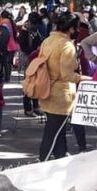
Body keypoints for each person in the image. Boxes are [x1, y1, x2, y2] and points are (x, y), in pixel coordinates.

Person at [37, 12, 85, 162]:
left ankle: (60, 157)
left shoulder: (48, 41)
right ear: (71, 29)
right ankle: (42, 161)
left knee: (57, 130)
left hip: (46, 90)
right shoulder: (67, 46)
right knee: (53, 132)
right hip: (61, 95)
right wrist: (84, 78)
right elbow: (67, 75)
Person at [18, 13, 44, 116]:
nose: (37, 26)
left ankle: (36, 106)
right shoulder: (24, 32)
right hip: (28, 61)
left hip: (35, 60)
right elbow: (24, 48)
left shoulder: (34, 31)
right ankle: (28, 108)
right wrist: (35, 49)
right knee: (29, 85)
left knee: (37, 84)